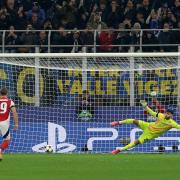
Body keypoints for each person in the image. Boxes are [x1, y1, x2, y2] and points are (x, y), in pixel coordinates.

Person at [111, 100, 180, 154]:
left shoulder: (172, 123)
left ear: (171, 115)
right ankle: (118, 122)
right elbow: (151, 112)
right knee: (134, 121)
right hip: (148, 125)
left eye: (168, 114)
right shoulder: (161, 115)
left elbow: (179, 127)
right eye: (166, 113)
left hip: (150, 135)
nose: (166, 114)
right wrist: (145, 106)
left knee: (136, 142)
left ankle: (119, 150)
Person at [0, 87, 18, 160]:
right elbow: (14, 112)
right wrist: (16, 124)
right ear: (7, 93)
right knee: (7, 140)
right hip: (3, 123)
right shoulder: (10, 101)